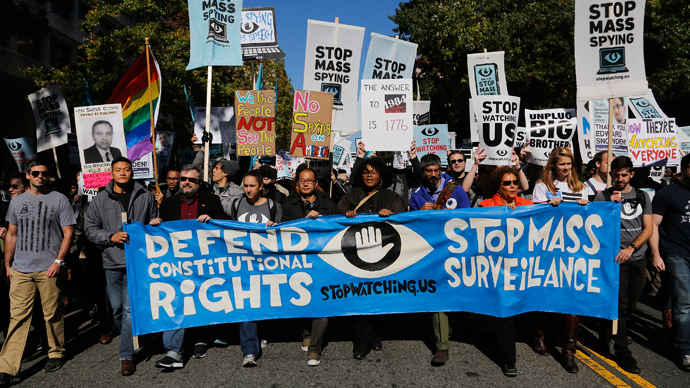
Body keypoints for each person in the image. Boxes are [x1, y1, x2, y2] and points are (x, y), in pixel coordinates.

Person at [0, 160, 76, 384]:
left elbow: (68, 232)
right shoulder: (17, 202)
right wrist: (8, 264)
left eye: (44, 173)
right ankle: (7, 367)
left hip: (49, 268)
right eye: (35, 173)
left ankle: (56, 352)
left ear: (49, 176)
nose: (40, 177)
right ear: (28, 175)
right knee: (18, 317)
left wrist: (58, 261)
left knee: (52, 314)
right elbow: (12, 235)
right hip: (21, 269)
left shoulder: (59, 199)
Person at [84, 157, 159, 376]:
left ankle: (126, 355)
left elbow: (154, 222)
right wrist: (110, 237)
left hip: (137, 261)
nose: (123, 173)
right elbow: (90, 229)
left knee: (128, 309)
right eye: (118, 170)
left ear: (132, 172)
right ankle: (132, 332)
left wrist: (155, 223)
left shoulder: (146, 195)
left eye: (127, 169)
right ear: (112, 173)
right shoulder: (101, 199)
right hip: (112, 261)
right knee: (117, 308)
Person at [155, 165, 226, 369]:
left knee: (203, 299)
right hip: (177, 265)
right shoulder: (168, 204)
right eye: (183, 178)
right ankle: (173, 352)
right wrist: (156, 223)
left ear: (199, 183)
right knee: (175, 301)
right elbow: (161, 232)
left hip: (203, 263)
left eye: (191, 180)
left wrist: (213, 221)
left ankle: (200, 339)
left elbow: (226, 225)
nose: (186, 182)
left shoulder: (211, 201)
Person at [337, 157, 406, 360]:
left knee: (379, 300)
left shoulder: (391, 197)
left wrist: (392, 214)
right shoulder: (351, 196)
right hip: (356, 258)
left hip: (385, 258)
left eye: (374, 172)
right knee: (360, 300)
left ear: (382, 176)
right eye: (366, 172)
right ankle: (361, 344)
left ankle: (376, 336)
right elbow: (334, 218)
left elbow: (405, 221)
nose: (369, 175)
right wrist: (345, 215)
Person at [531, 146, 592, 373]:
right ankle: (539, 335)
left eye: (569, 164)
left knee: (572, 298)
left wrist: (587, 207)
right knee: (546, 293)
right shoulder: (541, 186)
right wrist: (548, 206)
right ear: (553, 165)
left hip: (574, 251)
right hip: (548, 249)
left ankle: (568, 352)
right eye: (562, 164)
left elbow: (590, 220)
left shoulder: (581, 187)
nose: (566, 168)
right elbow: (534, 218)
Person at [409, 154, 470, 367]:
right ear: (423, 172)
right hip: (432, 253)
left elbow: (468, 219)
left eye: (436, 170)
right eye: (428, 171)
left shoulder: (456, 190)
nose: (433, 174)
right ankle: (442, 346)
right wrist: (420, 214)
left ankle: (451, 328)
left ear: (441, 170)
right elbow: (411, 227)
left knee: (455, 294)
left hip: (455, 250)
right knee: (438, 297)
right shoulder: (416, 195)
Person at [593, 156, 652, 374]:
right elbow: (594, 227)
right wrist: (609, 206)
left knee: (631, 305)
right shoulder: (603, 196)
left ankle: (605, 327)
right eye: (616, 174)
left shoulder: (642, 196)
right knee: (620, 305)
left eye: (624, 175)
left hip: (637, 257)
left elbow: (648, 229)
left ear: (631, 174)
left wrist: (632, 249)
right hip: (615, 260)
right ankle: (622, 352)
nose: (619, 178)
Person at [479, 165, 534, 377]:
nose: (513, 186)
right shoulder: (486, 205)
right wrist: (503, 214)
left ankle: (498, 336)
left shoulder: (527, 204)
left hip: (521, 268)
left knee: (516, 312)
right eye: (507, 183)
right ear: (498, 187)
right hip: (497, 268)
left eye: (515, 182)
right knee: (504, 312)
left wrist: (554, 205)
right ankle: (508, 359)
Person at [282, 167, 337, 366]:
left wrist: (320, 221)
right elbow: (284, 230)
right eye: (301, 180)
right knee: (301, 299)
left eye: (309, 180)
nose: (305, 184)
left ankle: (315, 348)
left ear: (315, 183)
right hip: (298, 262)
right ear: (297, 184)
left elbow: (335, 230)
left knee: (321, 303)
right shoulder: (288, 204)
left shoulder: (328, 204)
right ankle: (306, 332)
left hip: (322, 262)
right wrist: (302, 222)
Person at [229, 170, 282, 367]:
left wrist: (274, 227)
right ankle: (249, 351)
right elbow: (224, 226)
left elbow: (282, 233)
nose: (248, 189)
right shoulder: (236, 204)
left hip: (266, 264)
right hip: (242, 264)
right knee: (247, 306)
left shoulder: (273, 206)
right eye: (245, 185)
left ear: (261, 187)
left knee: (265, 302)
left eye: (252, 186)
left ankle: (263, 333)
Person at [650, 153, 690, 371]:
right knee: (684, 302)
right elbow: (654, 226)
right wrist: (656, 253)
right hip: (676, 253)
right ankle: (684, 350)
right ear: (684, 169)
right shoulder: (667, 194)